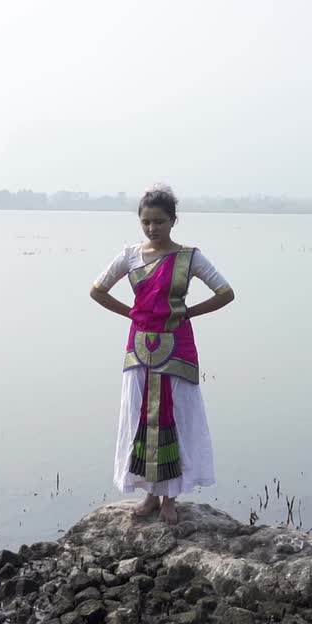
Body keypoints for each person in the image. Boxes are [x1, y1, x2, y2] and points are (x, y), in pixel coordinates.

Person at [89, 185, 235, 524]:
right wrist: (131, 313)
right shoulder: (129, 256)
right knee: (142, 417)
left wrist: (189, 313)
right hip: (139, 346)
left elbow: (225, 293)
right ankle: (150, 493)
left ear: (173, 220)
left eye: (159, 222)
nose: (152, 228)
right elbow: (97, 290)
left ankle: (171, 496)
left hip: (177, 345)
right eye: (146, 222)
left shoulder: (189, 258)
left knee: (176, 416)